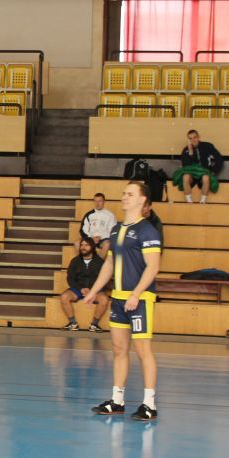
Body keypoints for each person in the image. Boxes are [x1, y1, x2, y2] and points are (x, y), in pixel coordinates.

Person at [83, 181, 162, 422]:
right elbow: (109, 263)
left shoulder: (148, 231)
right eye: (124, 193)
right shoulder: (116, 229)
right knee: (119, 350)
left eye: (130, 194)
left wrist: (136, 294)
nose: (125, 197)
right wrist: (94, 291)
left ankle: (149, 404)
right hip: (118, 298)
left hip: (140, 299)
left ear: (142, 200)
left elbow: (153, 267)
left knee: (143, 350)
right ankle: (117, 401)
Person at [61, 238, 109, 333]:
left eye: (86, 245)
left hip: (95, 290)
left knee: (104, 299)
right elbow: (70, 279)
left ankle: (94, 324)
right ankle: (73, 323)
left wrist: (93, 291)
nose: (83, 247)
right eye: (82, 245)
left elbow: (104, 279)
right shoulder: (75, 261)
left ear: (92, 247)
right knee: (64, 297)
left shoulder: (99, 262)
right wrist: (81, 289)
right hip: (78, 289)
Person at [179, 129, 222, 203]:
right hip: (192, 175)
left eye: (195, 137)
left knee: (206, 177)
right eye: (190, 138)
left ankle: (202, 201)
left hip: (204, 173)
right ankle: (189, 202)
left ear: (199, 137)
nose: (193, 140)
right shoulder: (186, 150)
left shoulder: (208, 146)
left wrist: (214, 171)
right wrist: (191, 153)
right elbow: (185, 166)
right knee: (185, 176)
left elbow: (219, 158)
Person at [79, 193, 117, 258]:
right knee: (77, 243)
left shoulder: (110, 215)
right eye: (95, 201)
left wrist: (100, 237)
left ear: (104, 202)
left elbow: (112, 231)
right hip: (90, 239)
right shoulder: (89, 214)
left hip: (103, 239)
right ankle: (83, 262)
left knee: (107, 243)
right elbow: (83, 230)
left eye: (100, 201)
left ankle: (98, 263)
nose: (97, 203)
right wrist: (91, 237)